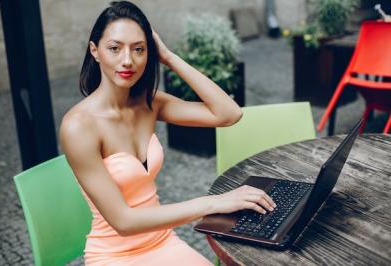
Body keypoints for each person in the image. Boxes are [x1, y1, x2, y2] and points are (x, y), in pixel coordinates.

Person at [60, 1, 276, 265]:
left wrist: (170, 58)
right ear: (95, 51)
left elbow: (228, 113)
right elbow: (123, 222)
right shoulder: (78, 126)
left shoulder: (150, 103)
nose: (127, 60)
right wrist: (214, 203)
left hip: (162, 242)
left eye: (139, 49)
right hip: (114, 255)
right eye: (114, 48)